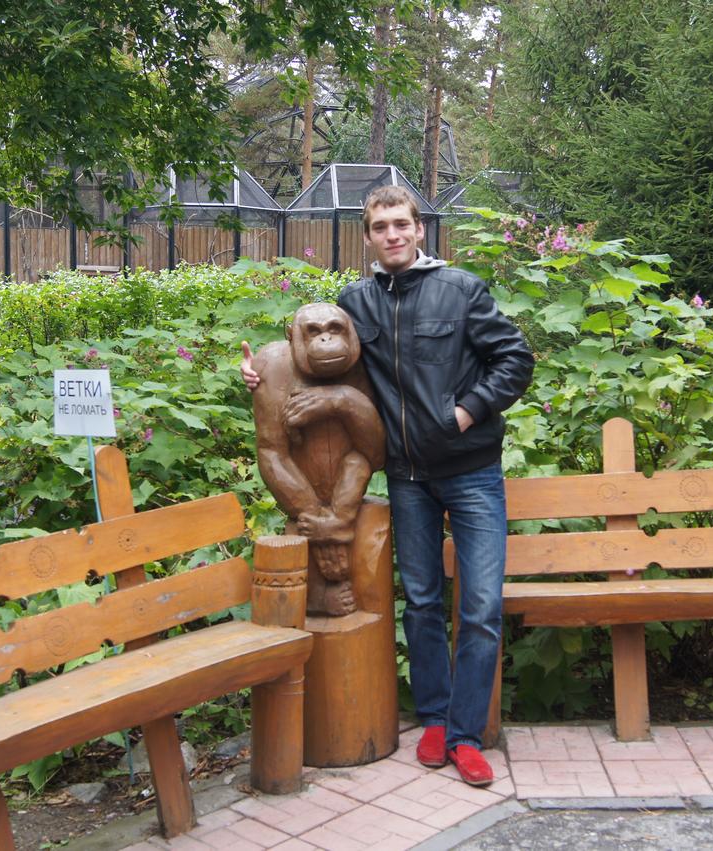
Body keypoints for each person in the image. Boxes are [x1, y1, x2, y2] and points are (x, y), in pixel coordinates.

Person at [241, 186, 534, 786]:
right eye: (380, 227)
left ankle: (465, 735)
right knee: (421, 603)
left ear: (420, 229)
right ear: (368, 237)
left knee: (480, 607)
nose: (392, 234)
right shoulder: (357, 303)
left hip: (471, 471)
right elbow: (310, 352)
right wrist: (254, 372)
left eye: (402, 224)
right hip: (407, 476)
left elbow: (515, 360)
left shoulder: (461, 289)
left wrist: (465, 413)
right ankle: (434, 720)